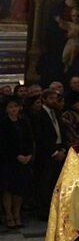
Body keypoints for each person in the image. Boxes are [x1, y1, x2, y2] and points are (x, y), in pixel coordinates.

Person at [0, 96, 34, 228]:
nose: (13, 109)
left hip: (23, 160)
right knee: (8, 188)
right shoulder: (3, 123)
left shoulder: (24, 122)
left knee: (19, 189)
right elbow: (3, 143)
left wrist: (29, 155)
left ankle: (17, 214)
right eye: (10, 107)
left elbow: (30, 139)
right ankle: (8, 215)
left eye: (15, 106)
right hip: (8, 161)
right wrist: (16, 155)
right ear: (6, 109)